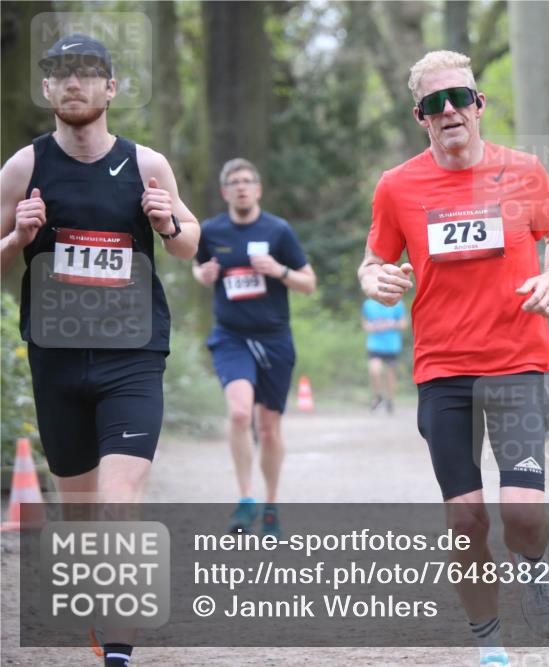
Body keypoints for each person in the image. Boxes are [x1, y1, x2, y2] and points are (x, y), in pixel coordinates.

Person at [357, 50, 549, 667]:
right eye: (435, 103)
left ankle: (534, 567)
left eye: (459, 98)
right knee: (466, 519)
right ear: (420, 117)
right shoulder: (397, 186)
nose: (449, 110)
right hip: (443, 370)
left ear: (479, 105)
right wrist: (373, 281)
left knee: (523, 515)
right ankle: (490, 646)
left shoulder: (525, 171)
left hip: (516, 361)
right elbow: (373, 260)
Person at [0, 34, 200, 667]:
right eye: (60, 74)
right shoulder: (23, 168)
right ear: (49, 90)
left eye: (87, 73)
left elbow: (189, 243)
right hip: (56, 358)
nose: (73, 84)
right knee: (82, 518)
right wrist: (17, 236)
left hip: (132, 355)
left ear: (111, 88)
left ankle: (119, 649)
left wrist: (169, 222)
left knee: (120, 499)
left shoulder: (147, 165)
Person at [192, 158, 315, 538]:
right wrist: (204, 274)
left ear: (258, 189)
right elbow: (198, 267)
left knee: (269, 427)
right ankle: (246, 499)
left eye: (248, 181)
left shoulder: (278, 231)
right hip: (231, 337)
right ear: (225, 191)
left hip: (275, 339)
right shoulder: (210, 231)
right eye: (235, 182)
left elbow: (308, 282)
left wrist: (278, 271)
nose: (242, 187)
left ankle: (271, 504)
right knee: (241, 413)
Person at [361, 296, 407, 413]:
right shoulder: (368, 304)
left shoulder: (397, 303)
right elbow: (365, 323)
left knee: (390, 375)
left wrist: (390, 324)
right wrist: (372, 327)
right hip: (374, 344)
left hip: (392, 345)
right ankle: (378, 396)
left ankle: (390, 400)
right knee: (374, 371)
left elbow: (403, 324)